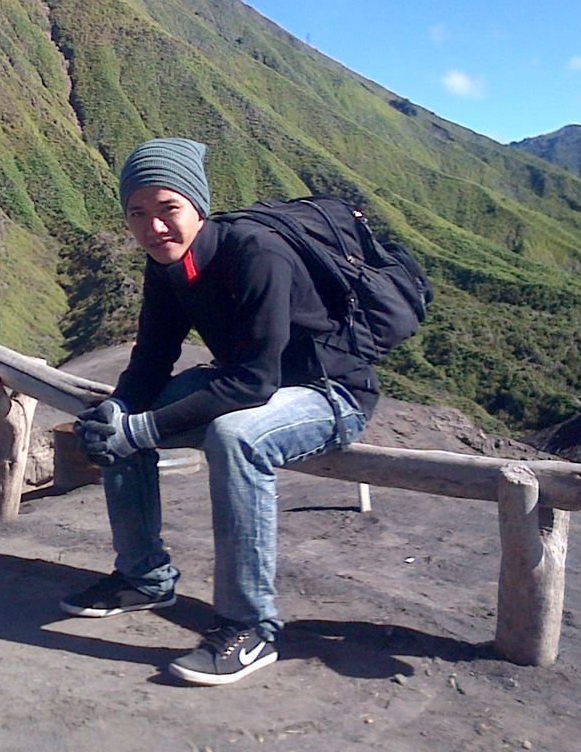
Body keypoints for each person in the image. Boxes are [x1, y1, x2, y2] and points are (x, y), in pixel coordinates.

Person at [60, 137, 377, 686]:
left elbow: (256, 380)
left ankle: (249, 627)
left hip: (330, 393)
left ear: (198, 208)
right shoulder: (166, 266)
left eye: (168, 209)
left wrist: (143, 430)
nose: (154, 227)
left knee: (236, 437)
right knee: (112, 422)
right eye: (138, 213)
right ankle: (143, 577)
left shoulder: (257, 253)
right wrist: (119, 410)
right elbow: (153, 357)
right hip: (250, 383)